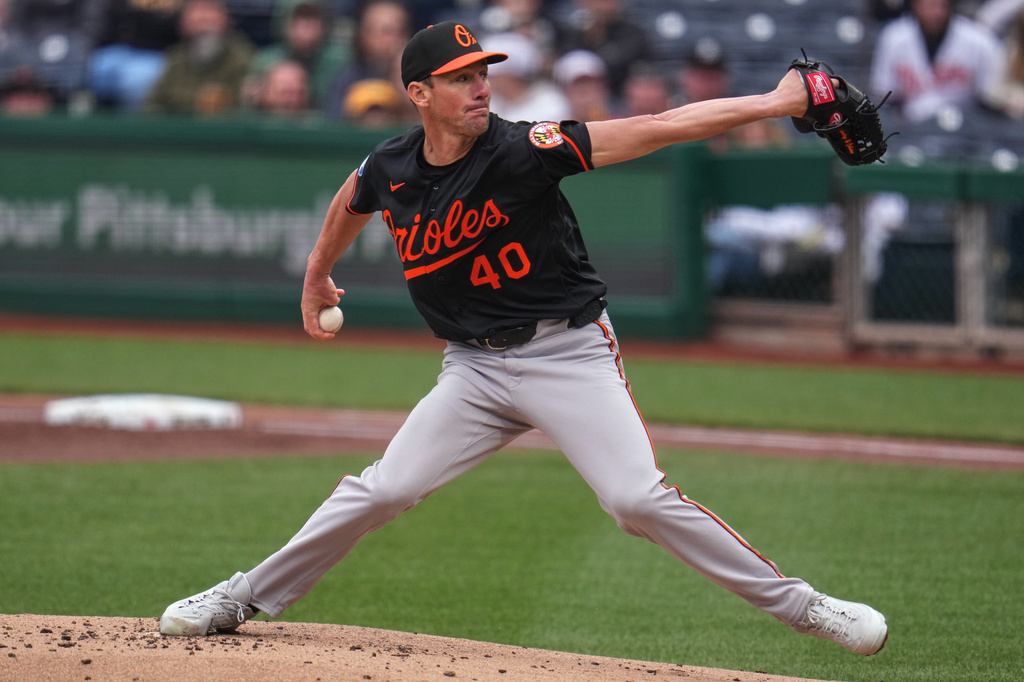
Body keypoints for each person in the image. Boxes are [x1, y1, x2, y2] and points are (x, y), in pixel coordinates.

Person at [158, 21, 889, 658]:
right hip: (472, 371)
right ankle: (242, 596)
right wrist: (318, 276)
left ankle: (804, 607)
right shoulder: (393, 166)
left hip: (566, 355)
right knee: (386, 488)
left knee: (634, 500)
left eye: (484, 74)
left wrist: (781, 99)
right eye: (460, 79)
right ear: (419, 93)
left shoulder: (526, 149)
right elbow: (353, 198)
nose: (481, 88)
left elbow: (660, 127)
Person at [870, 0, 1004, 124]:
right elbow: (885, 95)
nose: (937, 13)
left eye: (942, 5)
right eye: (931, 5)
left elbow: (991, 99)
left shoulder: (979, 40)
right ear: (915, 6)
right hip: (909, 127)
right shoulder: (893, 37)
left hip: (967, 128)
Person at [143, 0, 254, 116]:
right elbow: (153, 104)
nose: (204, 18)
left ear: (226, 19)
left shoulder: (243, 57)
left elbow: (246, 108)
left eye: (210, 10)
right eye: (196, 11)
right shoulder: (175, 57)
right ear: (183, 22)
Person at [244, 0, 348, 110]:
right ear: (285, 23)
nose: (306, 25)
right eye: (300, 18)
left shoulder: (340, 61)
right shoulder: (266, 60)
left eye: (313, 18)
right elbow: (249, 108)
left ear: (324, 24)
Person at [323, 0, 414, 120]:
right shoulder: (347, 79)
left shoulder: (418, 75)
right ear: (364, 35)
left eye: (400, 31)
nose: (395, 39)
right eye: (386, 32)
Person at [87, 0, 184, 111]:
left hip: (159, 52)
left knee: (135, 80)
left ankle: (131, 123)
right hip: (123, 48)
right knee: (100, 66)